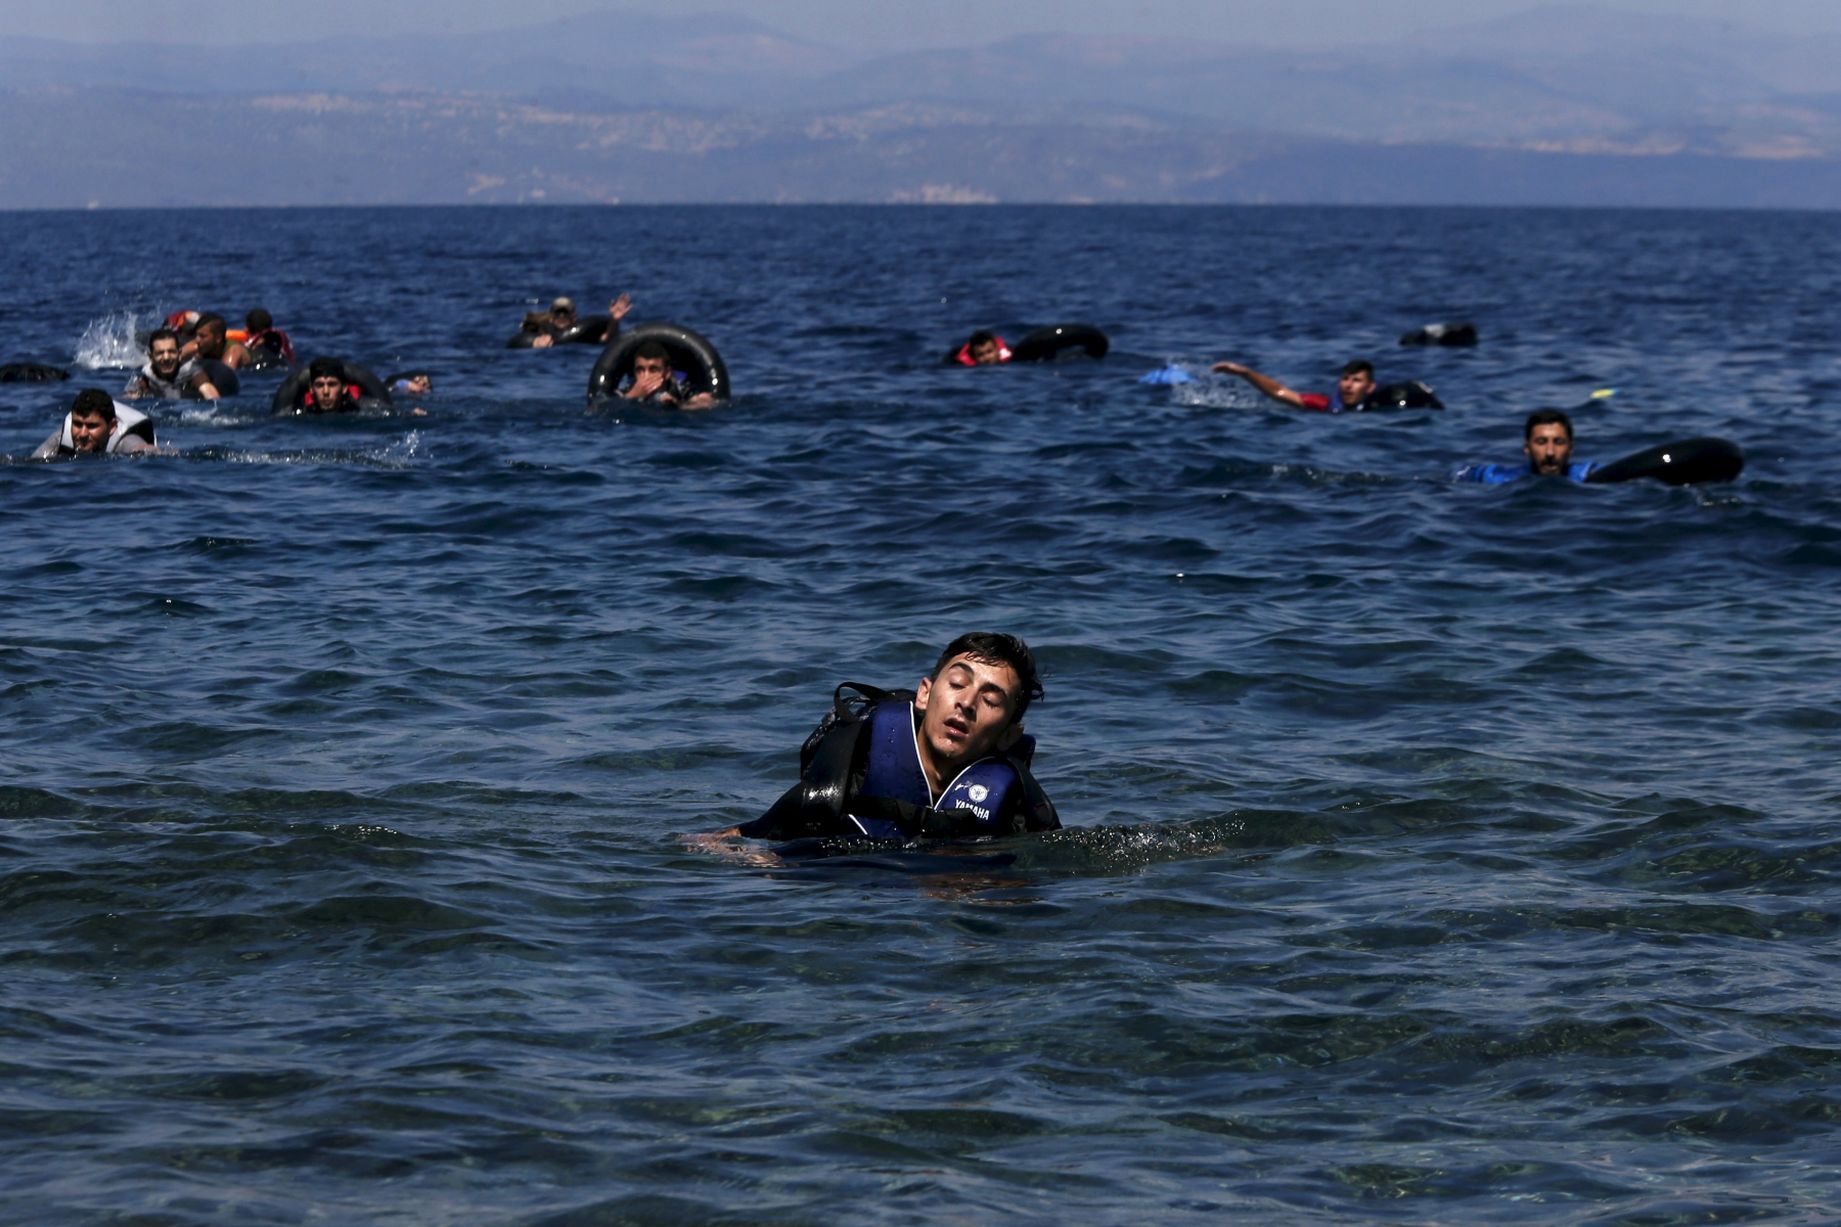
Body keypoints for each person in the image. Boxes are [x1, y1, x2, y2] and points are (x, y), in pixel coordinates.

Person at [701, 632, 1061, 847]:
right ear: (924, 693)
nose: (966, 703)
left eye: (991, 700)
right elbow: (749, 836)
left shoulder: (1016, 807)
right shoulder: (856, 769)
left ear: (1009, 735)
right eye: (957, 684)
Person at [1453, 409, 1598, 484]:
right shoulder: (1503, 479)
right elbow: (1460, 473)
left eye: (1558, 442)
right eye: (1541, 442)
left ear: (1571, 449)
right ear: (1526, 448)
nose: (1550, 452)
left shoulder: (1589, 475)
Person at [1210, 357, 1380, 412]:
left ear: (1370, 387)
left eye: (1356, 381)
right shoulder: (1323, 404)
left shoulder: (1381, 404)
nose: (1348, 385)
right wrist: (1244, 373)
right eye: (1345, 379)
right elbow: (1279, 391)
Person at [32, 387, 157, 458]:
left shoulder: (126, 441)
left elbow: (147, 451)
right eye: (77, 424)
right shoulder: (59, 439)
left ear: (112, 426)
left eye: (92, 426)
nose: (82, 434)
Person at [123, 328, 222, 400]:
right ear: (151, 357)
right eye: (160, 353)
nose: (166, 358)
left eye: (171, 352)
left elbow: (209, 392)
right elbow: (129, 398)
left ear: (179, 354)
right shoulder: (147, 376)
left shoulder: (192, 373)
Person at [615, 339, 715, 408]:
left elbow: (708, 403)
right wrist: (632, 396)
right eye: (640, 370)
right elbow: (607, 407)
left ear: (667, 373)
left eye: (653, 370)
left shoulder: (681, 389)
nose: (646, 376)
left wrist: (678, 405)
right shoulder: (626, 392)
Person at [180, 314, 245, 390]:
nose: (197, 340)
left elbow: (225, 379)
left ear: (218, 338)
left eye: (202, 336)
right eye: (196, 335)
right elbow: (176, 358)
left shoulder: (233, 351)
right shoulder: (198, 345)